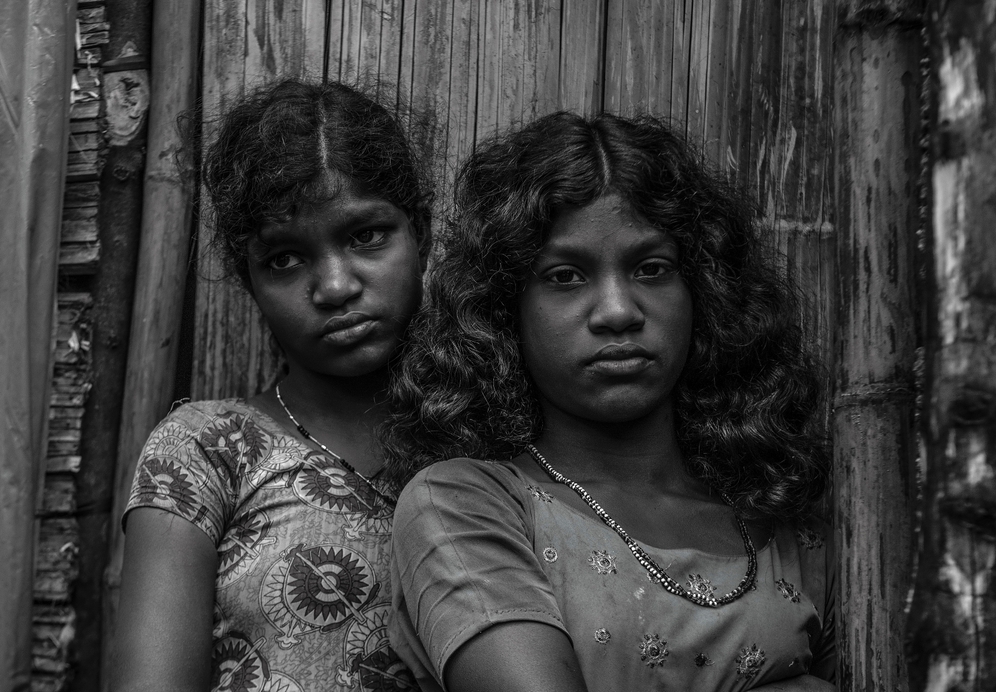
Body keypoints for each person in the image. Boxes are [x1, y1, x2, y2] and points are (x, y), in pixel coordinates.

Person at [381, 112, 835, 692]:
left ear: (705, 292)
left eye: (652, 269)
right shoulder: (465, 507)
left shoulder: (791, 531)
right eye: (567, 276)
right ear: (503, 310)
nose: (619, 311)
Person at [111, 78, 431, 692]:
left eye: (366, 235)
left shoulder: (485, 436)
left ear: (421, 235)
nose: (335, 286)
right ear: (248, 279)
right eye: (285, 258)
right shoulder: (208, 450)